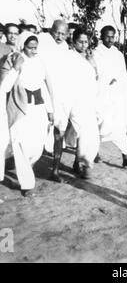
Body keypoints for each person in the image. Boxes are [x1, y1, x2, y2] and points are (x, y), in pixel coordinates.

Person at [0, 34, 54, 197]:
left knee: (36, 147)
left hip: (38, 108)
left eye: (35, 47)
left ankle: (25, 169)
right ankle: (27, 184)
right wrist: (16, 68)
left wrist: (50, 110)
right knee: (20, 144)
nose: (33, 50)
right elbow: (5, 87)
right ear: (23, 45)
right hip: (19, 108)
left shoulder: (39, 61)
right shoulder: (13, 58)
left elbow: (43, 87)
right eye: (30, 47)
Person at [37, 19, 76, 182]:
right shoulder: (43, 46)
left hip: (63, 97)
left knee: (59, 132)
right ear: (51, 31)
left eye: (62, 33)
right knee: (39, 132)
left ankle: (55, 170)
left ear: (67, 34)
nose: (59, 36)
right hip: (45, 95)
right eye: (56, 33)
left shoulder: (67, 49)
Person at [94, 25, 127, 167]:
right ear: (101, 36)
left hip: (117, 95)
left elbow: (122, 74)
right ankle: (94, 152)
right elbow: (97, 73)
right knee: (100, 124)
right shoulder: (96, 53)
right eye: (107, 36)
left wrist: (126, 92)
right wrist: (107, 80)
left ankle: (125, 156)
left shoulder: (118, 54)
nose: (110, 39)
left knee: (120, 126)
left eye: (113, 36)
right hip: (102, 94)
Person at [66, 28, 100, 177]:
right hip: (74, 100)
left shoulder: (90, 58)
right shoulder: (69, 57)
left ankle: (85, 164)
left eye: (86, 42)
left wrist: (92, 64)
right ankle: (81, 162)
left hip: (89, 100)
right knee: (78, 131)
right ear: (74, 42)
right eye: (80, 41)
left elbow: (96, 78)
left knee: (88, 133)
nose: (84, 45)